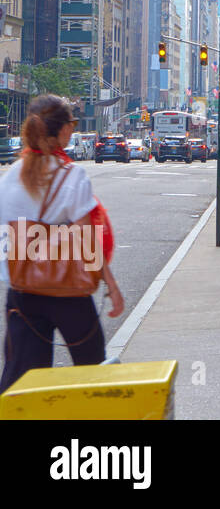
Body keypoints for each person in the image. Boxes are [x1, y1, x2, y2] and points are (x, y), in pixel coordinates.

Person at [0, 96, 124, 392]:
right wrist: (110, 283)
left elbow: (6, 241)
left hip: (22, 293)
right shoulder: (72, 176)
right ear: (65, 131)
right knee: (92, 371)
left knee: (22, 382)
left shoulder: (9, 177)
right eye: (72, 123)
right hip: (69, 291)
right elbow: (86, 241)